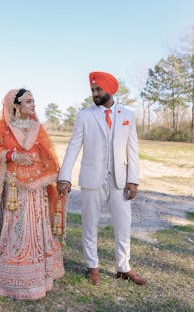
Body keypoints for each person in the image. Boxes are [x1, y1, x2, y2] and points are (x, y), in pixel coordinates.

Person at [0, 88, 66, 300]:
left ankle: (38, 274)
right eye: (28, 101)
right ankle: (7, 272)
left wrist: (53, 175)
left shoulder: (37, 128)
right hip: (12, 186)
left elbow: (47, 154)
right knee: (12, 225)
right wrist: (14, 156)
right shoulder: (3, 127)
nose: (33, 105)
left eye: (34, 101)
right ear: (16, 105)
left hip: (35, 188)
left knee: (34, 224)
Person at [57, 71, 148, 286]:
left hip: (120, 179)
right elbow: (73, 147)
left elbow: (132, 150)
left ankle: (124, 267)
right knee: (90, 223)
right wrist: (64, 176)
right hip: (92, 178)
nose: (95, 93)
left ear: (110, 89)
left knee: (123, 225)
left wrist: (133, 179)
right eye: (92, 90)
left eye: (98, 89)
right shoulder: (85, 115)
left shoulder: (127, 115)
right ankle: (92, 266)